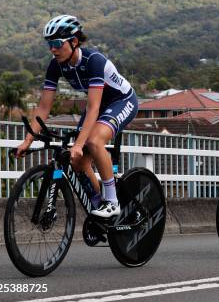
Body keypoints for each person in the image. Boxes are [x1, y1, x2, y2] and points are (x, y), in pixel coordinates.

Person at [15, 15, 138, 218]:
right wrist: (27, 140)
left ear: (73, 41)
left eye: (56, 43)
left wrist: (79, 144)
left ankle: (113, 202)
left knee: (93, 142)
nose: (52, 49)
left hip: (122, 101)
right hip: (99, 106)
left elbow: (92, 108)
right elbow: (44, 107)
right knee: (78, 162)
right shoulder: (56, 65)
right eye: (49, 44)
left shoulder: (93, 61)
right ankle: (99, 208)